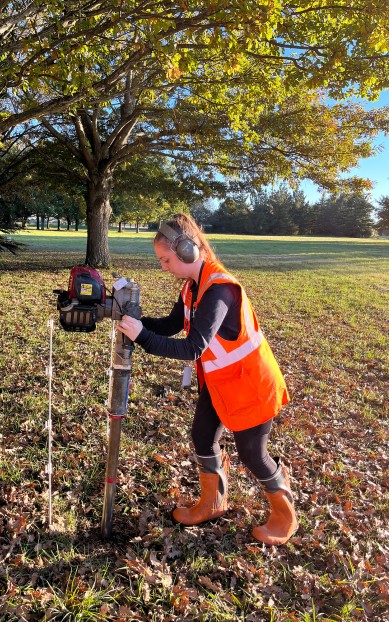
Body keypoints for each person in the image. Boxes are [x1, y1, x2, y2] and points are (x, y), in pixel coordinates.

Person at [117, 213, 298, 545]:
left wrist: (141, 336)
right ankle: (213, 503)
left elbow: (191, 348)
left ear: (188, 250)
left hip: (251, 384)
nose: (164, 267)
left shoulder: (219, 290)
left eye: (166, 259)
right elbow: (173, 324)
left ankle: (285, 516)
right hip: (221, 381)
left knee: (252, 454)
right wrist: (133, 318)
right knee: (202, 436)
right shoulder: (193, 287)